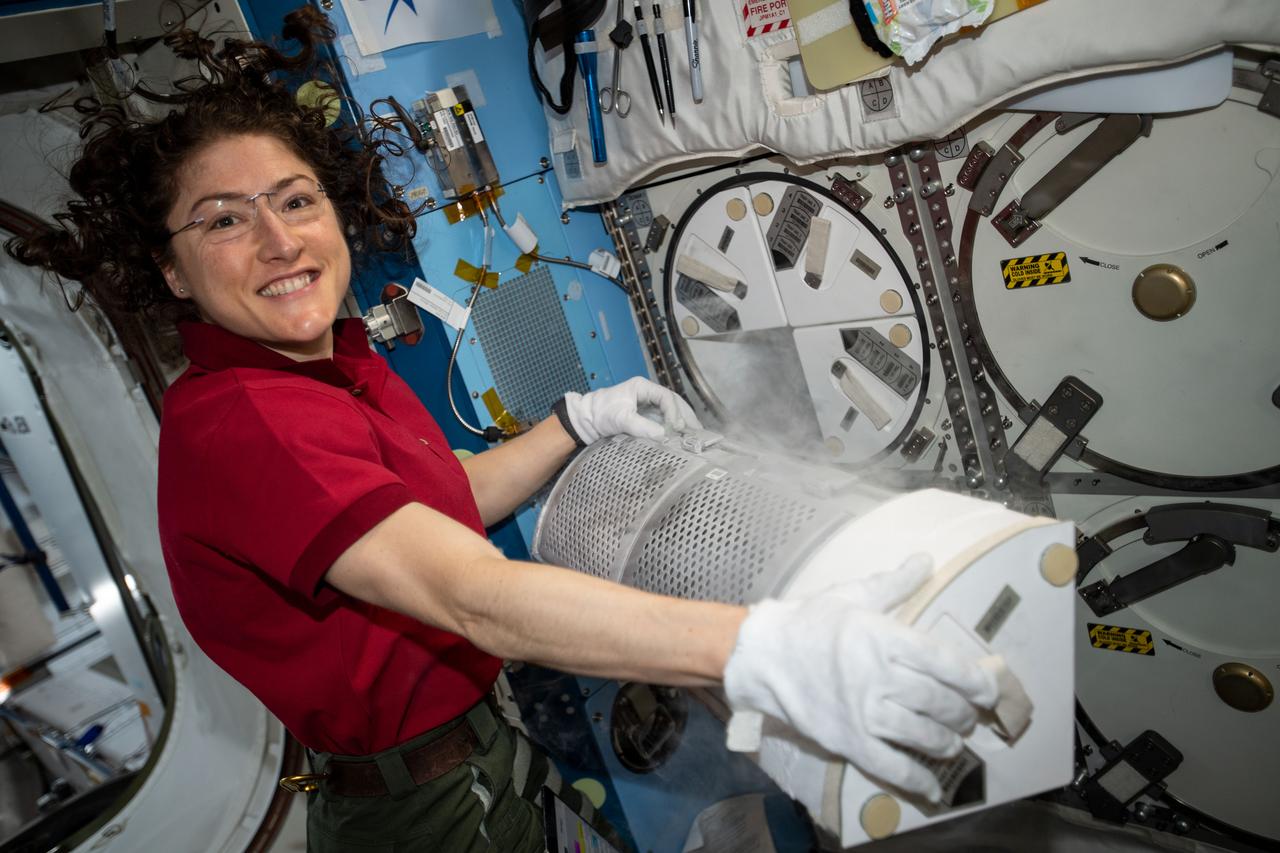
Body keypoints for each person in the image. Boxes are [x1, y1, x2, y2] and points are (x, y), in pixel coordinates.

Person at [7, 9, 1000, 851]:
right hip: (425, 805)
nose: (276, 240)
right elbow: (470, 593)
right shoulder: (244, 424)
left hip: (475, 748)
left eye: (295, 200)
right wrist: (761, 649)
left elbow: (445, 507)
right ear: (172, 272)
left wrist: (574, 420)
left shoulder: (336, 365)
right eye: (223, 220)